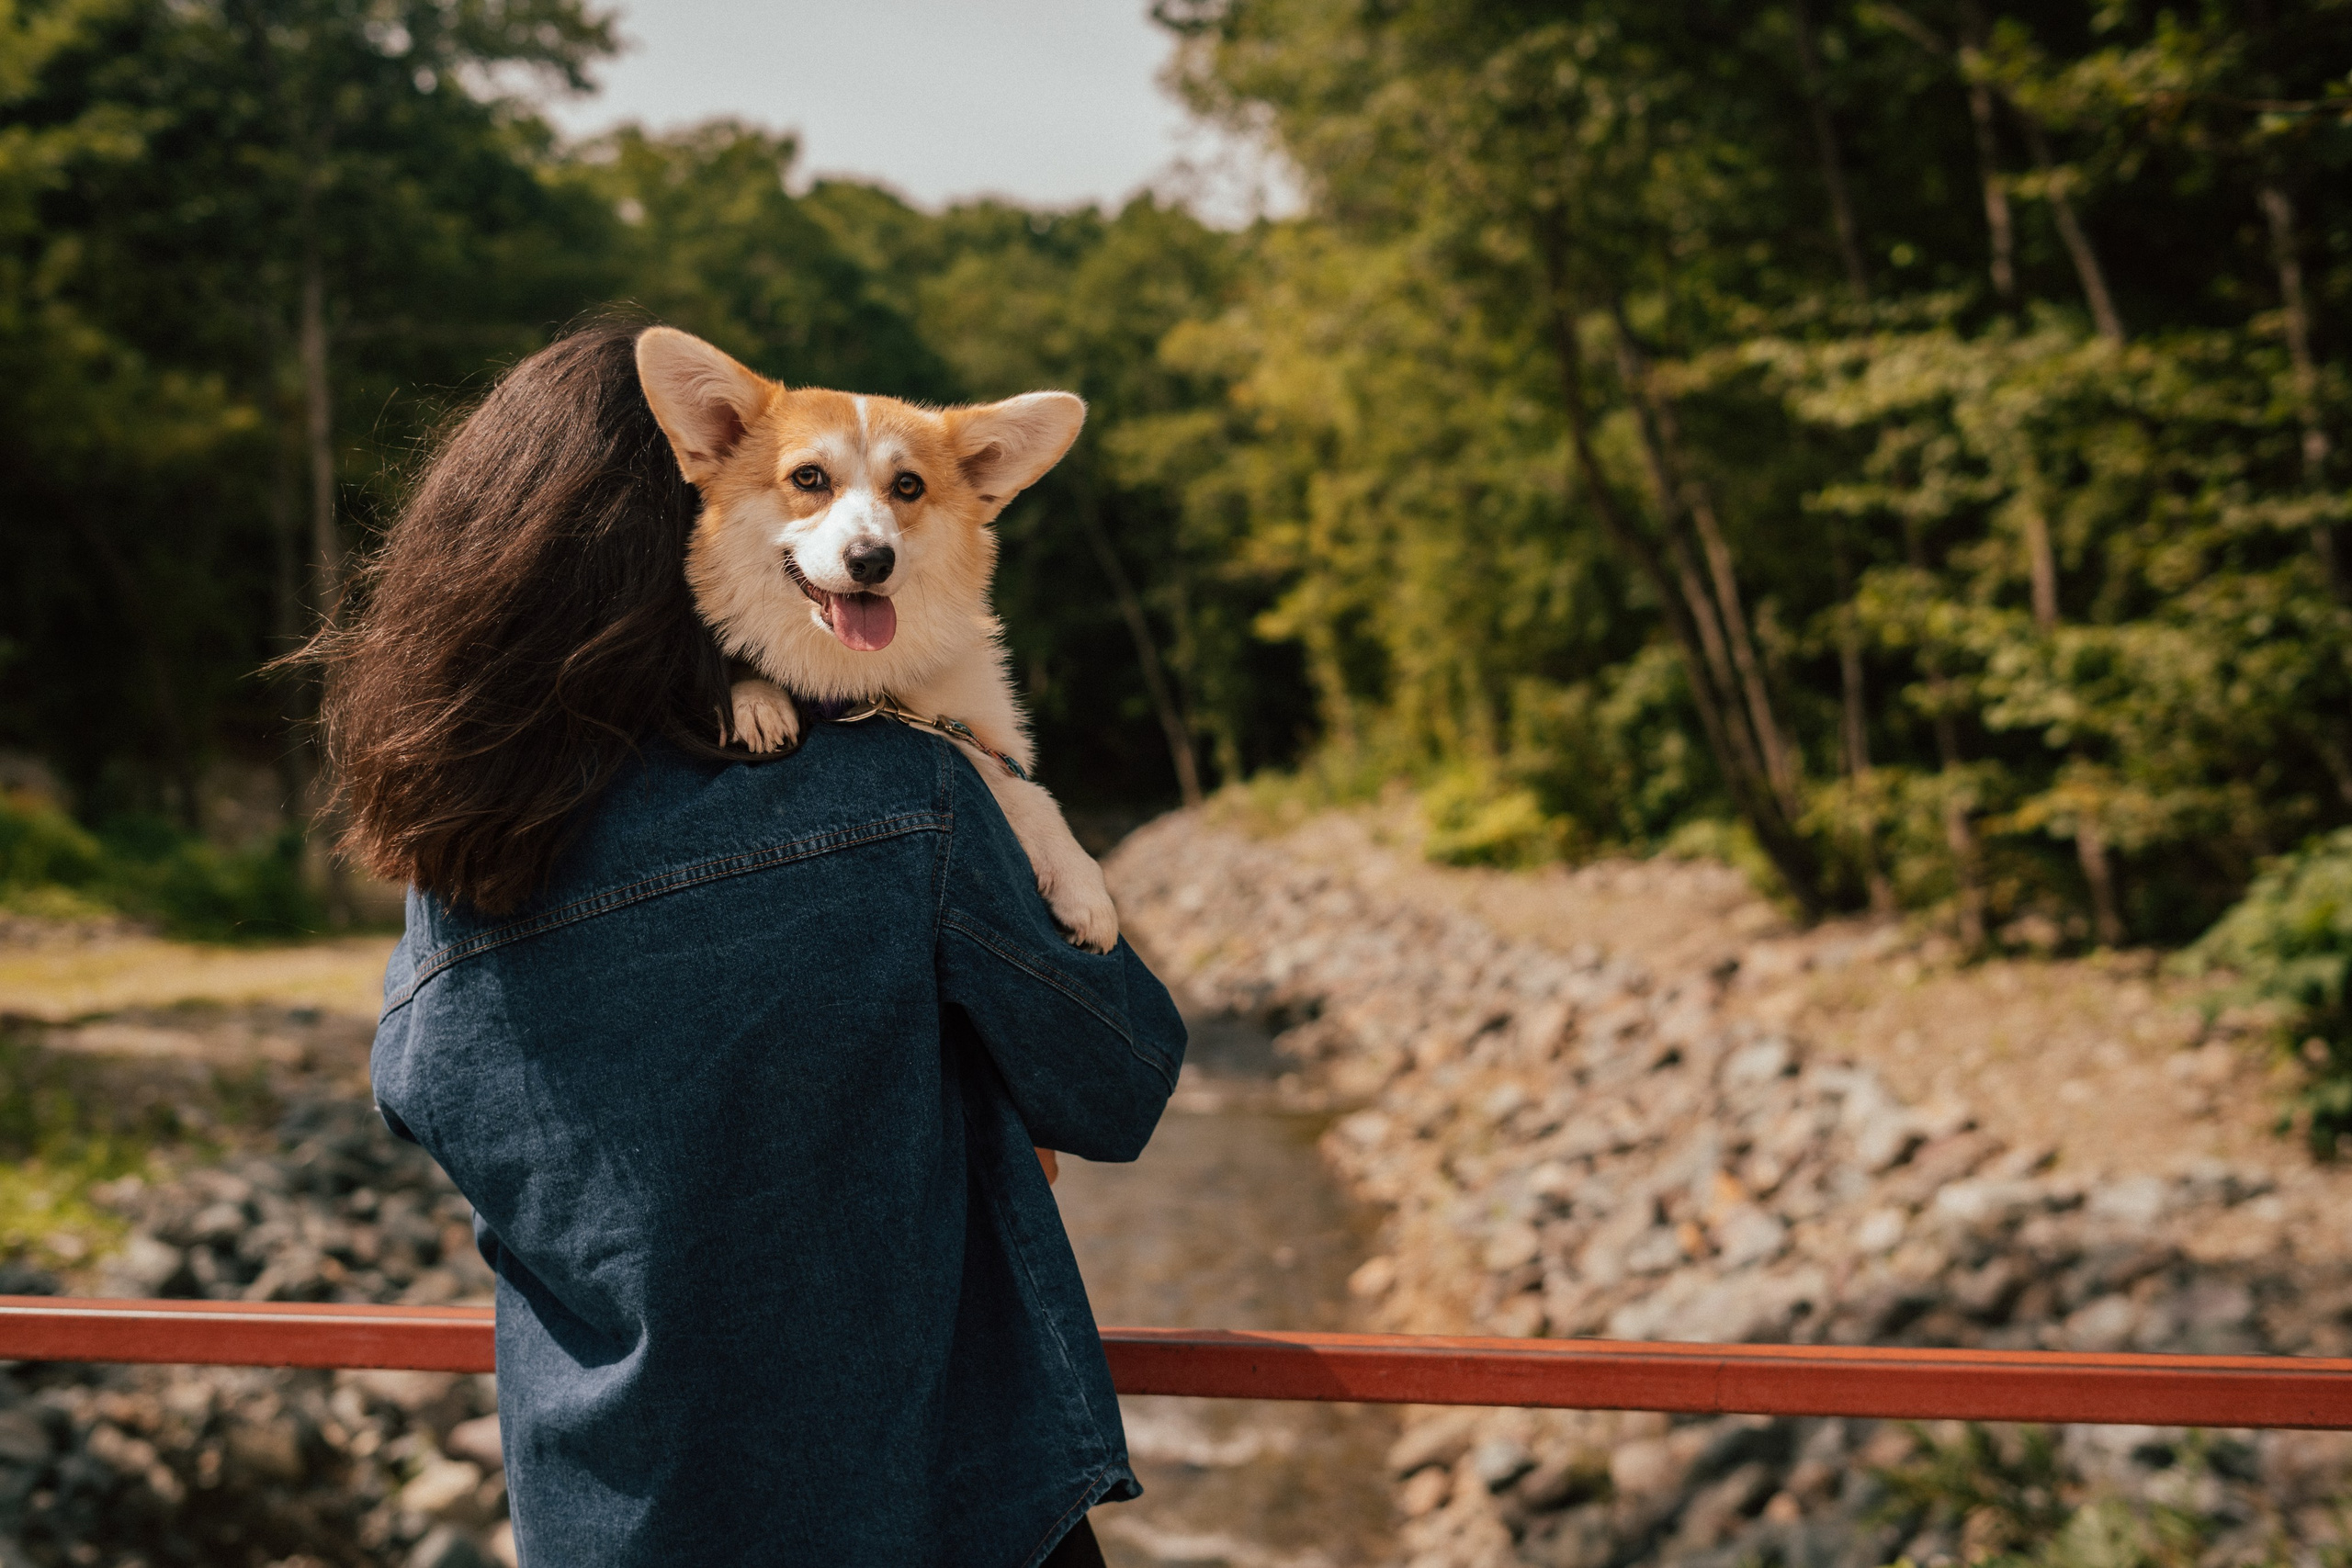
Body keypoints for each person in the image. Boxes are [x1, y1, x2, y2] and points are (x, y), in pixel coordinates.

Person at [312, 324, 1185, 1566]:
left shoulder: (462, 872)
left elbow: (439, 1113)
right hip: (936, 1514)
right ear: (680, 537)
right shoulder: (907, 799)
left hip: (615, 1525)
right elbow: (1122, 1077)